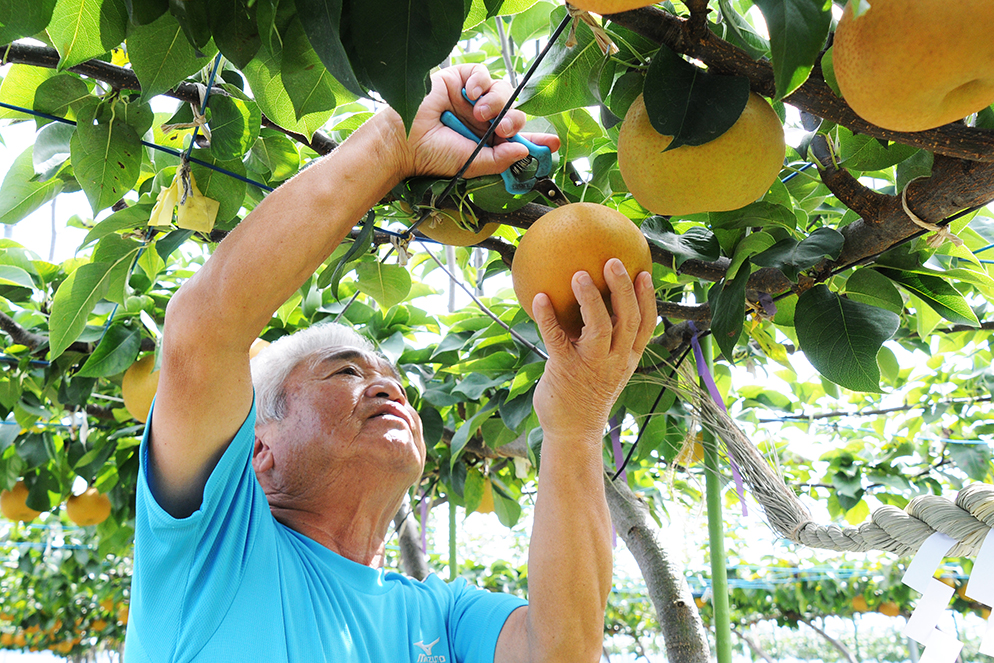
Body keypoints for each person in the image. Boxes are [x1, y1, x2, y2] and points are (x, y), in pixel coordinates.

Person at [124, 64, 657, 662]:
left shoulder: (443, 615)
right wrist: (390, 146)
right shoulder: (214, 550)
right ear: (257, 449)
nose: (388, 387)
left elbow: (560, 652)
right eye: (346, 370)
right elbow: (202, 333)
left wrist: (578, 423)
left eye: (395, 380)